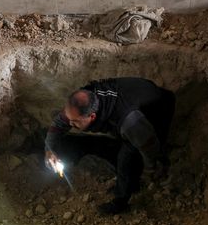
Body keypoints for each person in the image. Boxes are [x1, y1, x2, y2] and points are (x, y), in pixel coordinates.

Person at [44, 77, 175, 214]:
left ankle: (121, 201)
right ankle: (130, 182)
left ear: (92, 117)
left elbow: (149, 146)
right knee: (110, 149)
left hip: (155, 112)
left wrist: (150, 169)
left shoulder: (130, 122)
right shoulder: (83, 101)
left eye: (75, 122)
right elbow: (59, 124)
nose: (70, 124)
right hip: (135, 105)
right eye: (69, 118)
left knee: (126, 159)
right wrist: (49, 150)